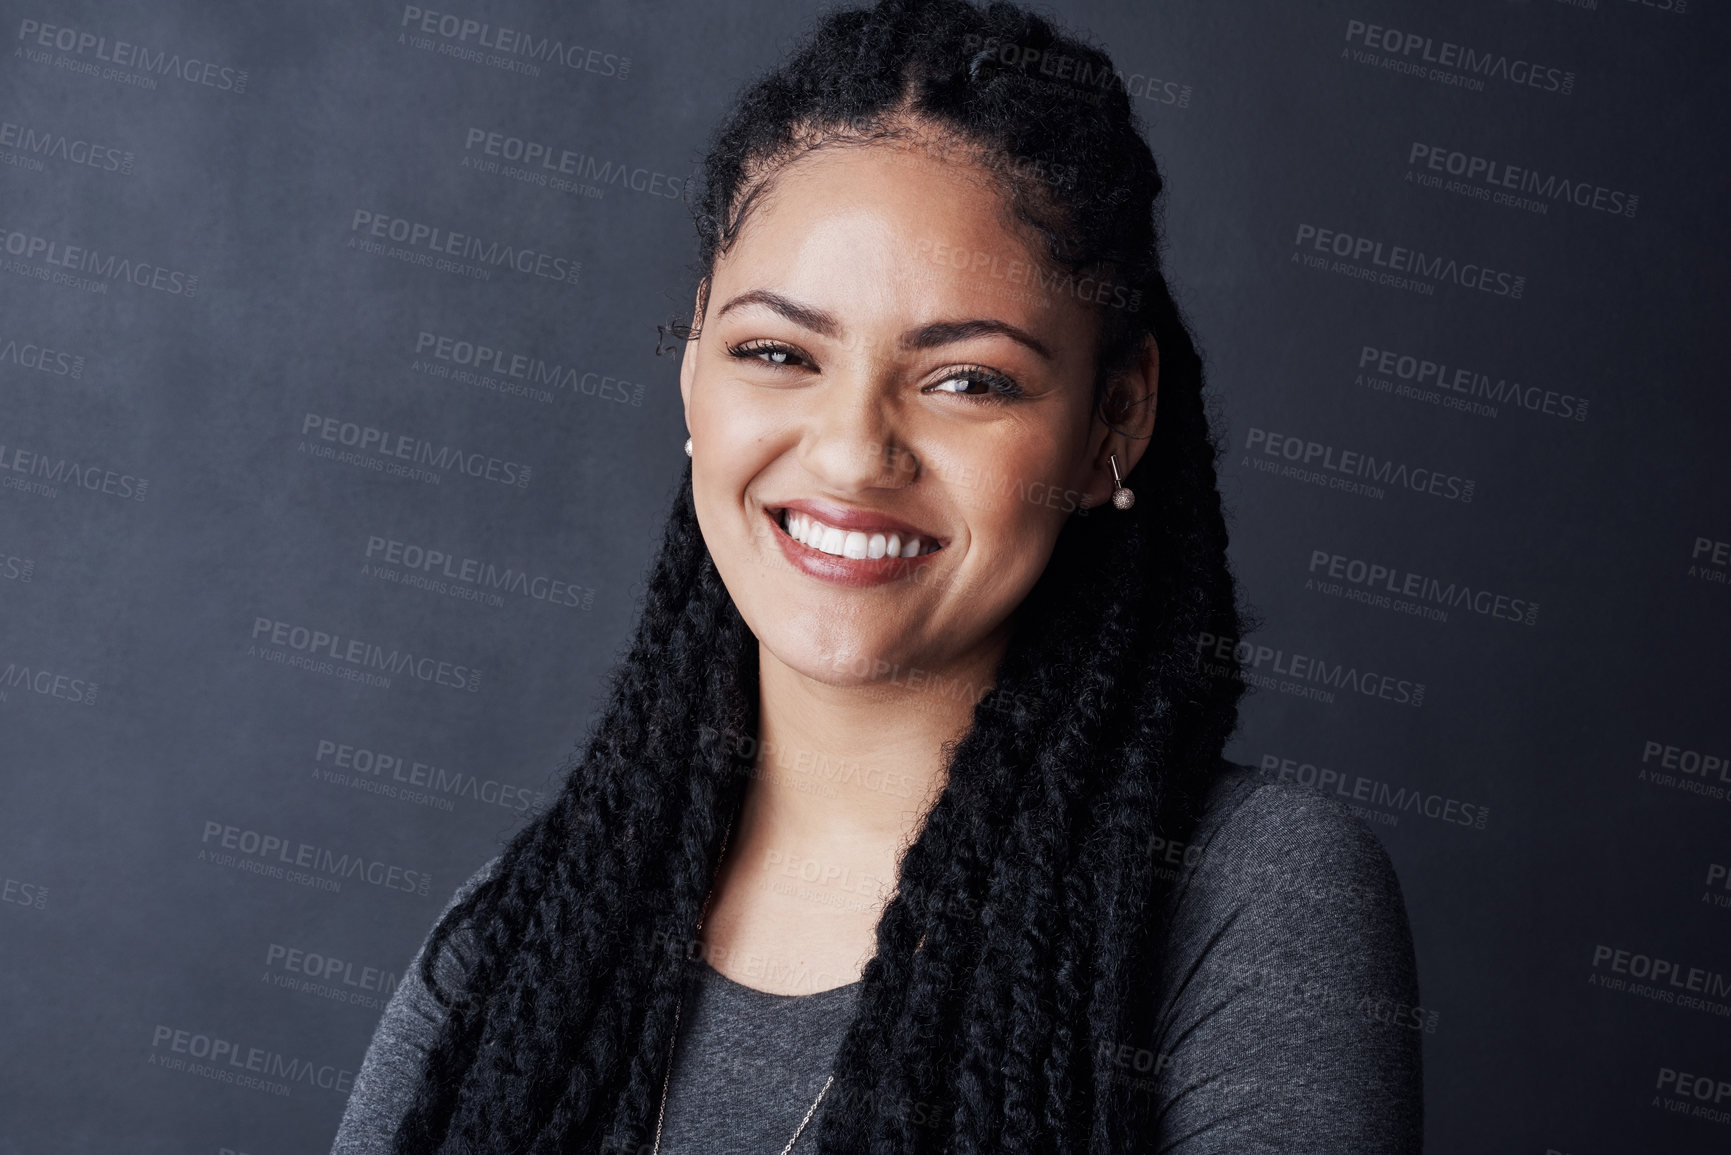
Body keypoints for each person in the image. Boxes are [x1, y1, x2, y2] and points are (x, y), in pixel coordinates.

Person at [330, 0, 1424, 1151]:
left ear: (1117, 415)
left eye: (967, 380)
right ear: (694, 363)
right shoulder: (521, 936)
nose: (855, 450)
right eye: (778, 353)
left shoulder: (1249, 898)